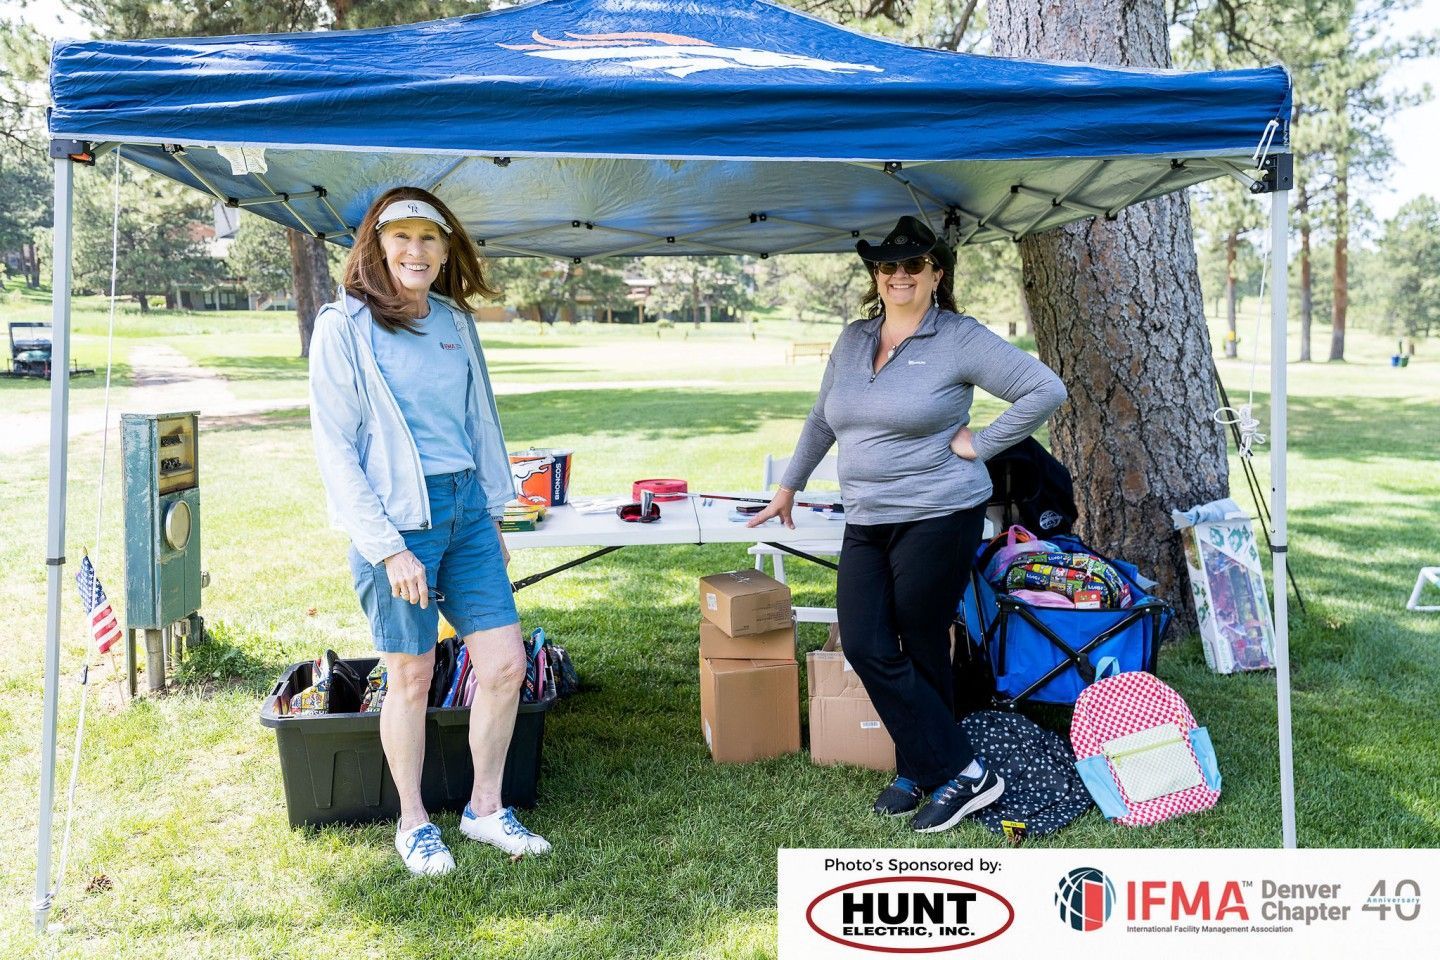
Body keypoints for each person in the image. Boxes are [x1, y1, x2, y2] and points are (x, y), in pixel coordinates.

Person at [748, 215, 1066, 833]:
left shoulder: (959, 338)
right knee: (867, 642)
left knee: (920, 642)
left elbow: (1043, 389)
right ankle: (950, 766)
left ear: (936, 274)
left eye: (914, 265)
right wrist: (789, 485)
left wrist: (985, 443)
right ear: (876, 274)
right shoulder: (851, 340)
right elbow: (821, 419)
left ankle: (935, 770)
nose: (900, 275)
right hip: (866, 515)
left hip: (939, 512)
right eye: (889, 265)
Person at [309, 187, 550, 875]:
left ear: (447, 251)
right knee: (410, 677)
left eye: (429, 239)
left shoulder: (452, 321)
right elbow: (336, 448)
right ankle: (413, 823)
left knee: (505, 665)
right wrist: (387, 547)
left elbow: (481, 422)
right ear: (377, 246)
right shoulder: (343, 326)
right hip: (398, 524)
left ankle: (484, 809)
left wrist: (495, 511)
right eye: (401, 237)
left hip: (467, 512)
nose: (415, 251)